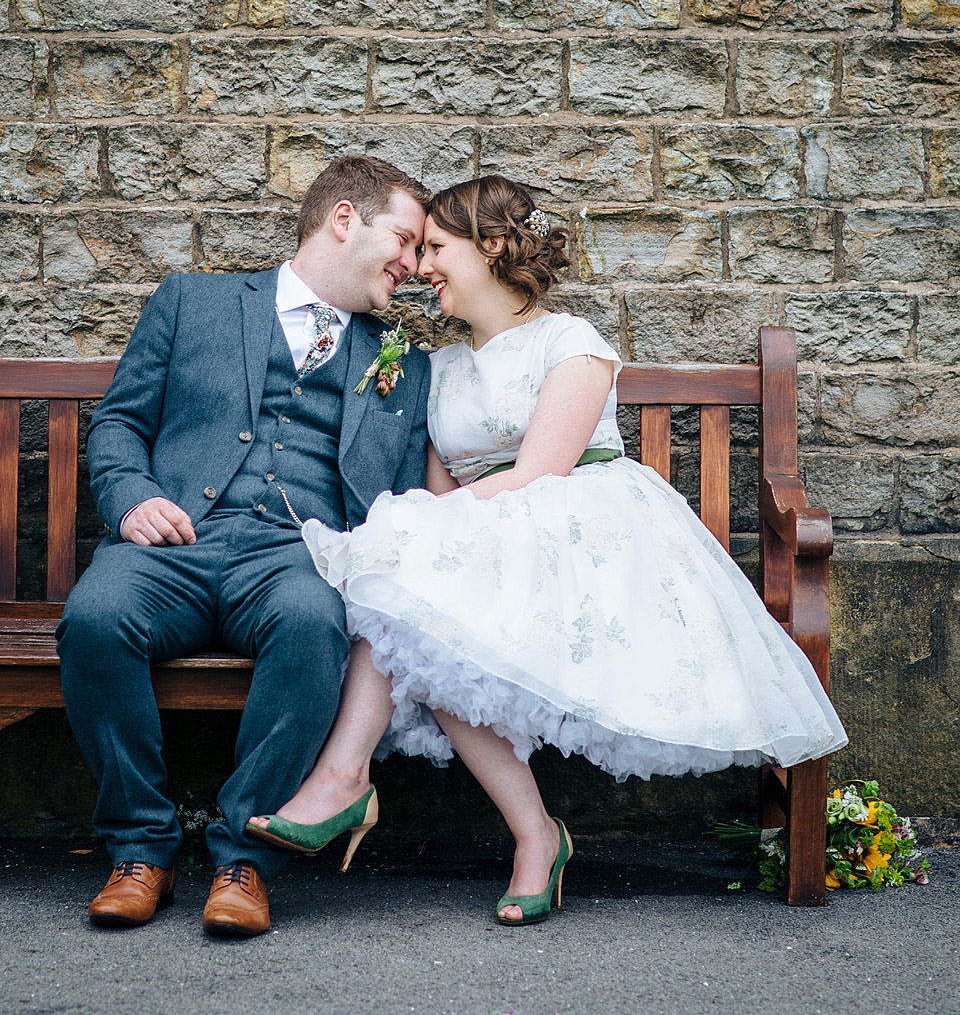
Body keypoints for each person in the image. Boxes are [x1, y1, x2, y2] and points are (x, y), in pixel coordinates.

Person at [247, 175, 848, 926]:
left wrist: (412, 532)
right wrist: (415, 530)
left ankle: (355, 780)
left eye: (436, 248)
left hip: (580, 538)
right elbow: (439, 487)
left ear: (491, 246)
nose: (421, 267)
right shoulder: (438, 369)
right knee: (426, 620)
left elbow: (540, 473)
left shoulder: (571, 343)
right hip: (485, 541)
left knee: (419, 589)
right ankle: (509, 827)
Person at [56, 155, 432, 937]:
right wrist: (132, 501)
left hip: (298, 557)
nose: (414, 264)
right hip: (175, 545)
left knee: (311, 624)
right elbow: (120, 422)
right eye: (403, 239)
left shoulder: (404, 363)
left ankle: (245, 861)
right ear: (342, 220)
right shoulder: (192, 300)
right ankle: (140, 848)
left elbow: (402, 500)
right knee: (94, 619)